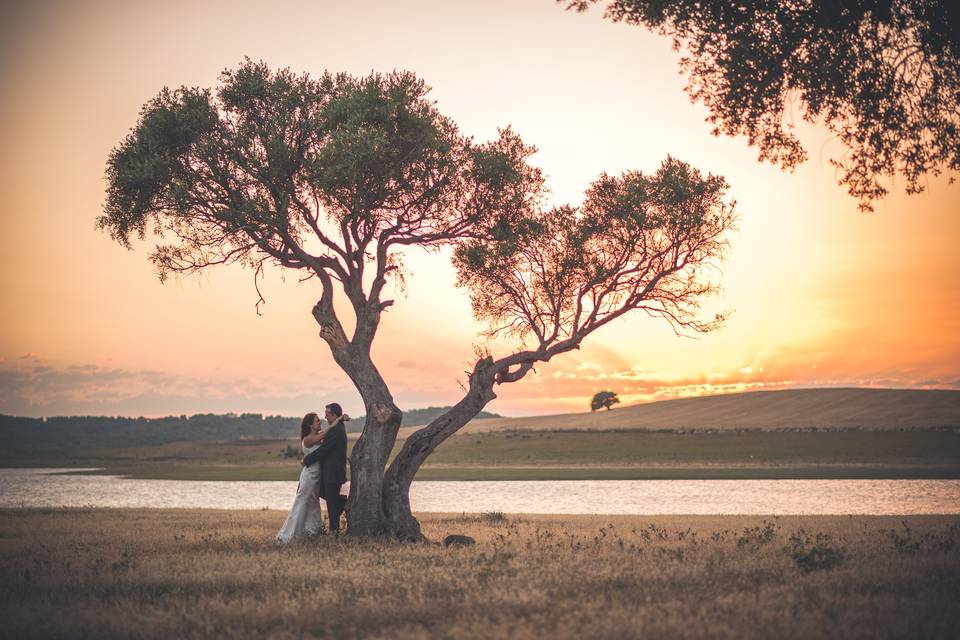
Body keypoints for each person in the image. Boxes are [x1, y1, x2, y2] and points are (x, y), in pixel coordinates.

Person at [275, 412, 333, 545]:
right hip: (309, 476)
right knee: (301, 503)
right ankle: (288, 536)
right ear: (311, 425)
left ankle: (312, 533)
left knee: (313, 503)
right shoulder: (308, 439)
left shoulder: (316, 436)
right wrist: (338, 420)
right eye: (317, 421)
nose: (320, 422)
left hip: (316, 476)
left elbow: (325, 432)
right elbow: (326, 433)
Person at [302, 403, 349, 533]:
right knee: (329, 498)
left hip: (333, 473)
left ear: (334, 415)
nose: (325, 417)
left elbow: (324, 450)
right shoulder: (336, 428)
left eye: (327, 414)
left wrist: (307, 460)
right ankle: (343, 502)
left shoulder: (336, 430)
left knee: (331, 504)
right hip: (329, 472)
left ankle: (335, 530)